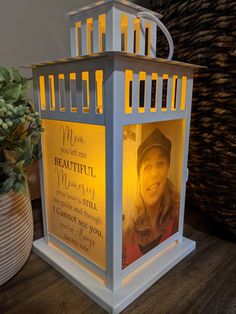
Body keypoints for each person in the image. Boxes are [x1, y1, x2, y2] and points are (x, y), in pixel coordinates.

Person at [122, 128, 180, 268]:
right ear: (139, 177)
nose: (154, 174)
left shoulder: (176, 219)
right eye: (147, 167)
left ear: (167, 170)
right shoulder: (127, 235)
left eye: (160, 163)